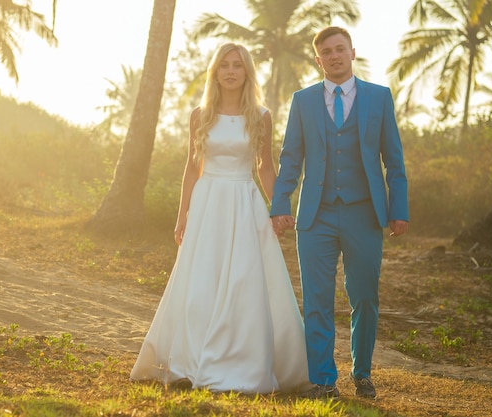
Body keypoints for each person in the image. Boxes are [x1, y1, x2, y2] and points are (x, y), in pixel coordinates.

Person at [130, 43, 310, 394]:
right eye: (224, 65)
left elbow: (265, 167)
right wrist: (182, 214)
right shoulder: (200, 115)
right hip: (207, 203)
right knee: (200, 282)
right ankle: (188, 363)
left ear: (246, 72)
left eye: (237, 66)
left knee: (245, 282)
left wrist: (280, 208)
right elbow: (191, 168)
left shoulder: (261, 115)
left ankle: (241, 362)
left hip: (245, 203)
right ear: (215, 72)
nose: (230, 71)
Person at [270, 26, 409, 399]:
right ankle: (322, 380)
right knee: (317, 299)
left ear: (351, 52)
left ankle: (361, 373)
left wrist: (399, 208)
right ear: (319, 60)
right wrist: (280, 203)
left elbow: (393, 160)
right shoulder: (303, 101)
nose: (334, 56)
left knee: (364, 296)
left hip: (365, 214)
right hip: (315, 216)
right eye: (326, 52)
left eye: (339, 49)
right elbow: (290, 159)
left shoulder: (379, 98)